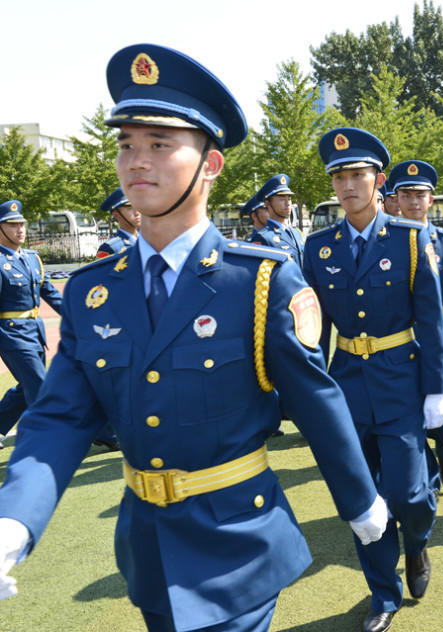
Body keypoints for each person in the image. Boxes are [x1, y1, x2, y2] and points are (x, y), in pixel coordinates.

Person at [0, 44, 388, 631]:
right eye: (126, 145)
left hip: (237, 539)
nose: (136, 161)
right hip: (150, 548)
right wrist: (16, 518)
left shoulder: (258, 281)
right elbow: (59, 416)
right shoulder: (93, 291)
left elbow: (315, 400)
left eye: (160, 144)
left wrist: (360, 501)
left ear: (210, 165)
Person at [303, 128, 443, 632]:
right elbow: (312, 329)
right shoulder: (319, 247)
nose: (347, 185)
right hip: (347, 383)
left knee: (409, 495)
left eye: (357, 175)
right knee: (361, 497)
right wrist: (309, 390)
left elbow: (431, 321)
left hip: (401, 380)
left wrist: (437, 391)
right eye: (339, 176)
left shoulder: (411, 237)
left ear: (378, 180)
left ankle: (419, 542)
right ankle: (382, 595)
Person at [389, 160, 443, 492]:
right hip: (397, 343)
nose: (412, 202)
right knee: (409, 414)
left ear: (431, 200)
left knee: (441, 410)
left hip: (437, 342)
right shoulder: (386, 243)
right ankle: (429, 473)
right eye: (405, 195)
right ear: (394, 199)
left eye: (419, 195)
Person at [0, 200, 62, 450]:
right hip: (11, 334)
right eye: (13, 225)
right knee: (40, 385)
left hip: (35, 332)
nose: (20, 229)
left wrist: (79, 316)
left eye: (22, 224)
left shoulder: (32, 259)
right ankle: (47, 441)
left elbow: (52, 295)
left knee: (26, 387)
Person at [248, 174, 304, 265]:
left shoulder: (297, 233)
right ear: (268, 203)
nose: (288, 203)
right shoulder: (263, 237)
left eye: (289, 198)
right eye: (282, 199)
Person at [97, 187, 141, 258]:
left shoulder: (149, 242)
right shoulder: (109, 248)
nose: (137, 213)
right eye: (130, 209)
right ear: (116, 215)